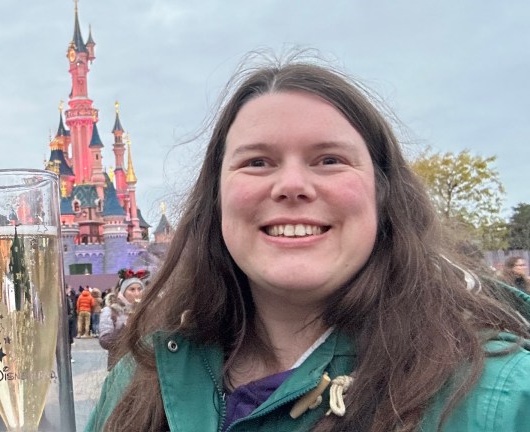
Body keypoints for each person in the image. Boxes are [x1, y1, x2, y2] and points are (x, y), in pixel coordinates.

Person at [86, 59, 530, 431]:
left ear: (383, 193)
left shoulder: (500, 399)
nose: (292, 185)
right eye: (257, 161)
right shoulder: (140, 380)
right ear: (215, 199)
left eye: (329, 160)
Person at [98, 276, 144, 369]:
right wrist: (126, 326)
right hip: (120, 365)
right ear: (123, 292)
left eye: (140, 289)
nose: (137, 293)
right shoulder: (111, 311)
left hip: (143, 365)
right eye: (132, 289)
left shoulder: (147, 308)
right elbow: (105, 341)